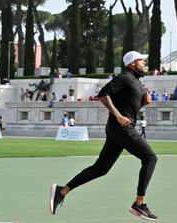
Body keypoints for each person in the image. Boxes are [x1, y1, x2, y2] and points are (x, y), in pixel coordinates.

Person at [49, 51, 158, 221]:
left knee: (101, 168)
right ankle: (139, 203)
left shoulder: (136, 82)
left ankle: (62, 191)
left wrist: (143, 103)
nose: (144, 63)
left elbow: (130, 108)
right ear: (131, 63)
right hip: (122, 129)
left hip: (117, 130)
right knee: (150, 158)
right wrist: (118, 116)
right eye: (141, 60)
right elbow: (102, 94)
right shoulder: (125, 78)